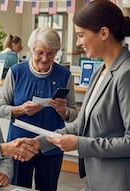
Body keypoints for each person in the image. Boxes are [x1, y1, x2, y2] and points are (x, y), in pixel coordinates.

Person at [36, 1, 130, 191]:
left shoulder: (126, 74)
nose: (78, 42)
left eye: (81, 35)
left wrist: (80, 144)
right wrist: (37, 142)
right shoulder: (100, 72)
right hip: (95, 180)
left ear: (103, 33)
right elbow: (81, 126)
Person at [0, 27, 78, 191]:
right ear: (31, 49)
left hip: (52, 144)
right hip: (20, 144)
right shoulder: (16, 72)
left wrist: (64, 111)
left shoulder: (64, 75)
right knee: (19, 187)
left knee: (48, 187)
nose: (45, 58)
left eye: (50, 53)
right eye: (40, 52)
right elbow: (0, 108)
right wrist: (20, 109)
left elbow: (73, 113)